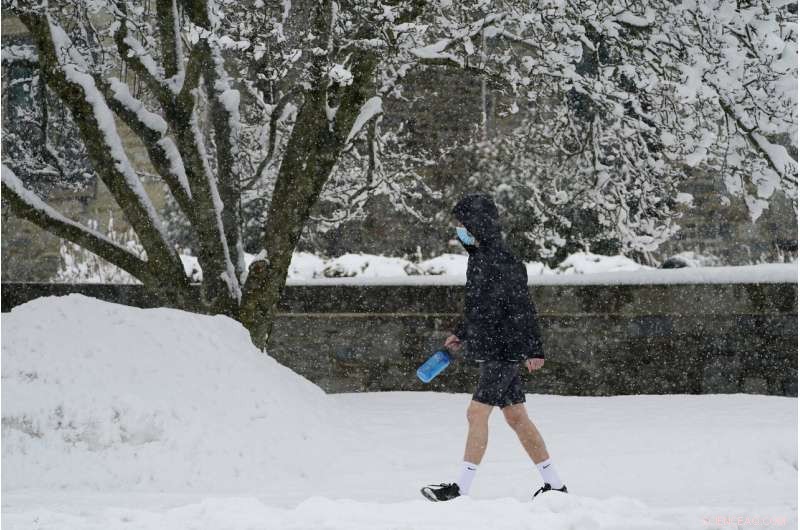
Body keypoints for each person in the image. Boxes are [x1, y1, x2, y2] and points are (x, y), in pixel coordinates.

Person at [420, 193, 568, 502]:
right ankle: (554, 484)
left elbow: (522, 306)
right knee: (516, 417)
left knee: (476, 413)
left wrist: (534, 348)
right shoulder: (479, 256)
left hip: (504, 349)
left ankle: (460, 489)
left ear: (477, 223)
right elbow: (481, 306)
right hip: (493, 346)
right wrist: (461, 333)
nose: (459, 229)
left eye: (462, 223)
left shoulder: (502, 258)